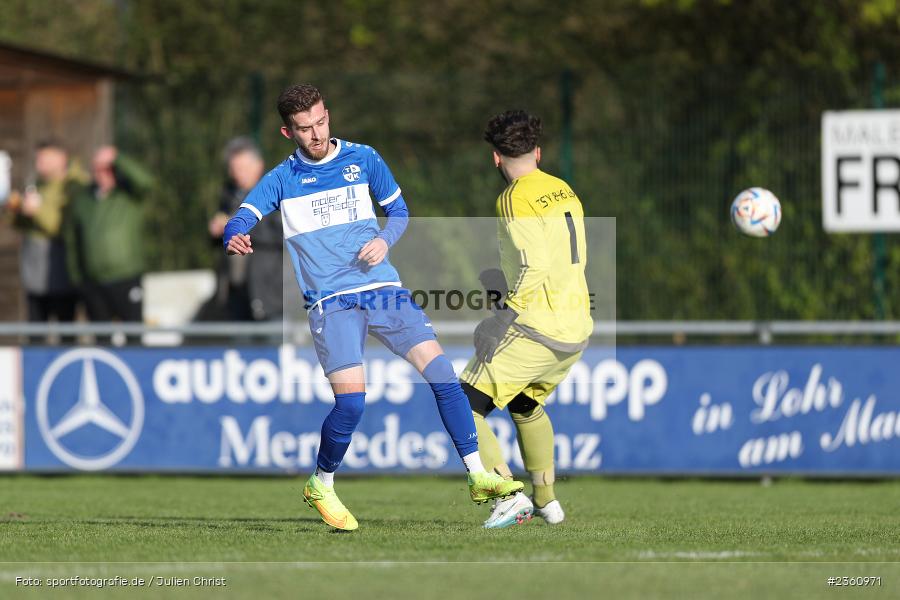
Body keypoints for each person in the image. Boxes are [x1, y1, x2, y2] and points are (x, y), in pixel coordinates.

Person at [223, 84, 523, 531]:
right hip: (331, 301)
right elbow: (242, 216)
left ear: (328, 114)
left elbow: (399, 211)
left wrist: (384, 239)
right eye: (305, 128)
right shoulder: (282, 178)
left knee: (444, 376)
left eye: (321, 121)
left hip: (383, 288)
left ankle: (478, 475)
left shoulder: (363, 159)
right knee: (352, 405)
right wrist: (235, 233)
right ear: (288, 132)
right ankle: (321, 482)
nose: (317, 134)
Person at [459, 110, 593, 528]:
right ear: (538, 151)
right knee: (525, 402)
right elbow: (550, 260)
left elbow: (534, 267)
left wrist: (501, 320)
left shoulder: (514, 197)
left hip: (537, 327)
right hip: (575, 328)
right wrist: (504, 282)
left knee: (462, 404)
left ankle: (508, 494)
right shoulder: (561, 188)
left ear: (495, 158)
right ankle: (547, 502)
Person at [64, 146, 152, 331]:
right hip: (94, 283)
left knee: (134, 335)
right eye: (98, 168)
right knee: (101, 340)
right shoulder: (83, 200)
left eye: (107, 168)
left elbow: (146, 182)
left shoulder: (128, 195)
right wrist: (78, 280)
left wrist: (118, 157)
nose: (102, 174)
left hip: (126, 278)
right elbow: (72, 241)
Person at [8, 141, 84, 340]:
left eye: (44, 158)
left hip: (62, 273)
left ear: (61, 158)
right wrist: (18, 211)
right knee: (36, 333)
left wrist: (37, 211)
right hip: (35, 274)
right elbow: (21, 225)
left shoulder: (74, 186)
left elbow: (59, 226)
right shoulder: (36, 184)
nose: (38, 163)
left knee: (66, 332)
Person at [208, 138, 283, 321]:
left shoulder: (275, 193)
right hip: (235, 294)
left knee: (272, 345)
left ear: (258, 165)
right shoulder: (229, 194)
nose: (236, 174)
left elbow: (282, 235)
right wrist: (218, 231)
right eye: (233, 168)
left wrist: (239, 227)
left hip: (269, 292)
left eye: (242, 168)